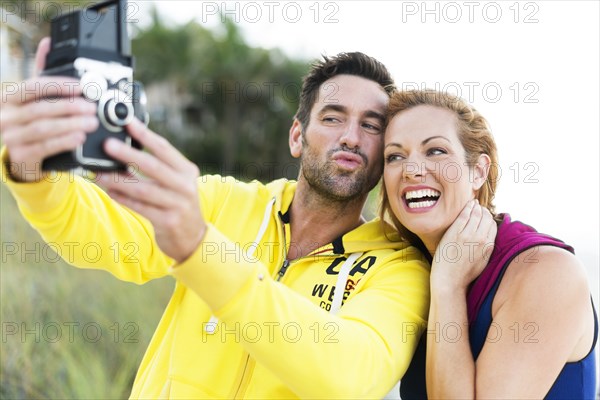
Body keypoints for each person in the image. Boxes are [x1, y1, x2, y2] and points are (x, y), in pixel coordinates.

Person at [0, 38, 430, 399]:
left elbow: (351, 374)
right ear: (297, 136)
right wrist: (32, 172)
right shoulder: (223, 200)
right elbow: (99, 235)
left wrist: (200, 247)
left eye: (371, 126)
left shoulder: (400, 269)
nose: (351, 137)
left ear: (384, 152)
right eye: (333, 118)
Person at [380, 89, 598, 399]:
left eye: (436, 151)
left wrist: (448, 287)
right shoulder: (402, 273)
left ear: (478, 171)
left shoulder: (546, 270)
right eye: (395, 156)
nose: (412, 169)